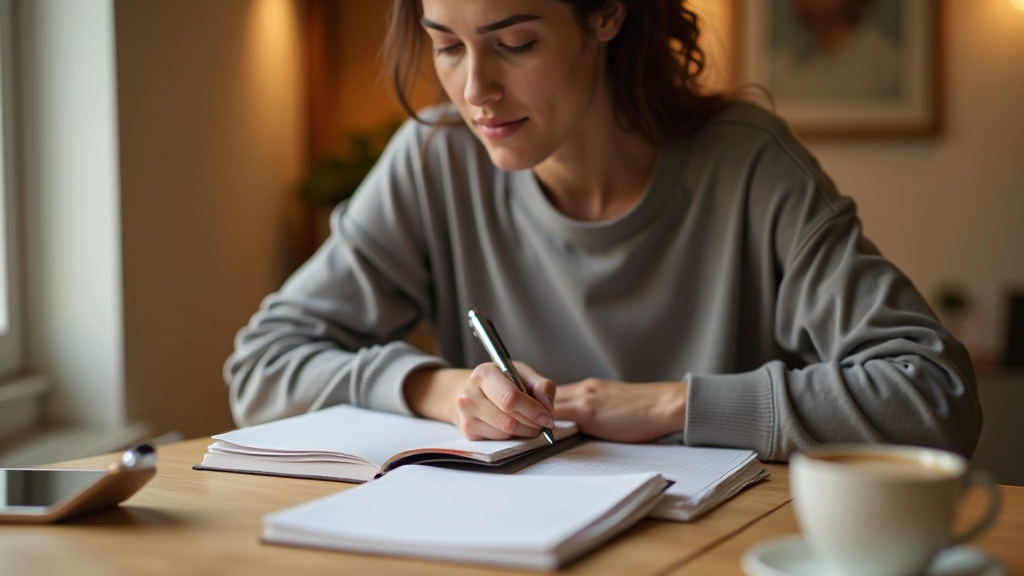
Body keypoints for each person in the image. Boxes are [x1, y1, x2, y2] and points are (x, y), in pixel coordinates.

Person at [224, 0, 981, 461]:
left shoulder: (750, 165)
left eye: (515, 44)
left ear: (606, 15)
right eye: (447, 45)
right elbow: (261, 364)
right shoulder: (435, 159)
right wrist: (440, 388)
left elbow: (935, 394)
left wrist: (667, 406)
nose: (475, 90)